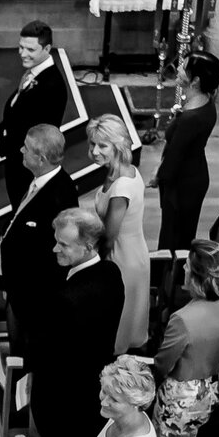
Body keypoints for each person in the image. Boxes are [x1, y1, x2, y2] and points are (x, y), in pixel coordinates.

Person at [31, 209, 126, 437]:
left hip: (64, 398)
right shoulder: (111, 272)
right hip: (94, 387)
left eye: (63, 244)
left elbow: (47, 354)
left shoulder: (67, 301)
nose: (54, 249)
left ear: (88, 246)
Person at [151, 241, 219, 437]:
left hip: (181, 400)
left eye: (187, 265)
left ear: (198, 278)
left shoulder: (182, 319)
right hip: (214, 390)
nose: (183, 268)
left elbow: (163, 363)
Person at [0, 125, 80, 345]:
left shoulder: (60, 196)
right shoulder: (39, 180)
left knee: (25, 348)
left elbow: (55, 253)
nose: (21, 151)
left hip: (33, 297)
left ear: (42, 158)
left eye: (26, 148)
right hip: (19, 288)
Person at [80, 115, 151, 349]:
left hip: (122, 258)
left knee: (117, 321)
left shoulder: (121, 187)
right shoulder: (125, 169)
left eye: (102, 145)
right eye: (92, 144)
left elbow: (109, 237)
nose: (95, 151)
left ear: (118, 145)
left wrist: (91, 264)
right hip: (132, 250)